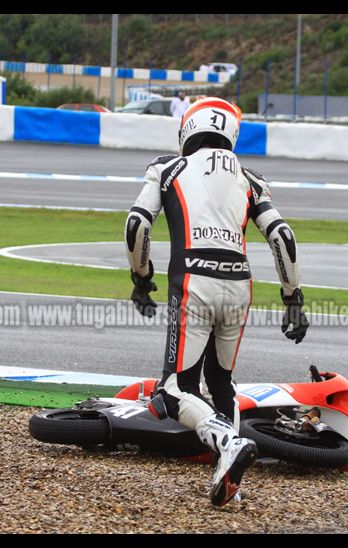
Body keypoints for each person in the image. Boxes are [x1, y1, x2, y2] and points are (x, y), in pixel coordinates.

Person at [123, 97, 308, 507]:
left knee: (172, 391)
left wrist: (141, 277)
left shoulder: (167, 168)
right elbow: (283, 237)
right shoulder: (250, 177)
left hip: (193, 281)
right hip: (241, 285)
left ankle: (227, 443)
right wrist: (293, 296)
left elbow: (136, 224)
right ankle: (232, 483)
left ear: (187, 129)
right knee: (221, 380)